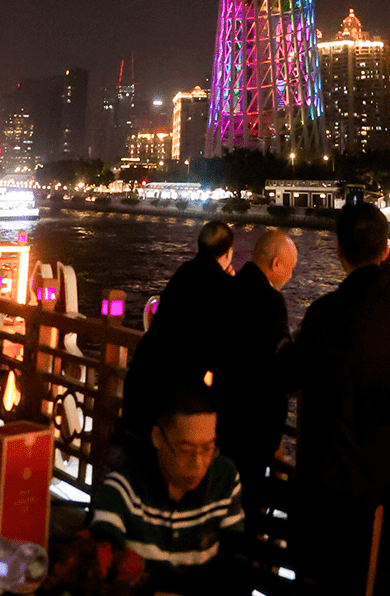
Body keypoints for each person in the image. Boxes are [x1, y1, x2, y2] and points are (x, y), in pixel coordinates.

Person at [288, 200, 390, 596]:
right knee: (371, 579)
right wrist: (381, 251)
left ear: (338, 251)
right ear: (386, 250)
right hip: (383, 478)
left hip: (327, 479)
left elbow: (291, 374)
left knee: (320, 582)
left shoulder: (323, 314)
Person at [93, 382, 245, 594]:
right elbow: (100, 570)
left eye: (207, 448)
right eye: (186, 450)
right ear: (158, 438)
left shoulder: (224, 478)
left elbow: (234, 565)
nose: (198, 463)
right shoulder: (123, 485)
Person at [121, 222, 237, 441]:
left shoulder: (184, 272)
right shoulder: (223, 286)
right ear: (228, 252)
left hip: (143, 377)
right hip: (173, 395)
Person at [221, 229, 297, 531]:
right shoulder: (269, 300)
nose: (291, 274)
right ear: (276, 263)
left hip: (226, 410)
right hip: (254, 420)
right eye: (290, 267)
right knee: (249, 498)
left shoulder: (231, 287)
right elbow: (280, 361)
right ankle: (245, 559)